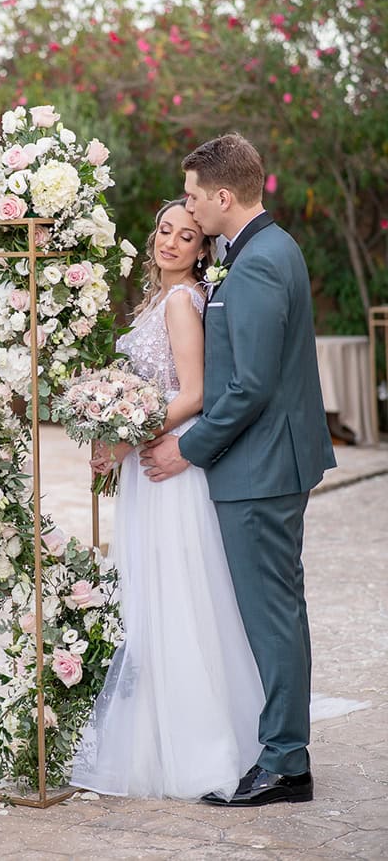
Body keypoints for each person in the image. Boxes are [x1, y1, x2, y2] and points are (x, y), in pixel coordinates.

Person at [140, 134, 336, 806]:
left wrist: (187, 449)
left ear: (224, 197)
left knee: (273, 614)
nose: (188, 204)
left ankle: (285, 762)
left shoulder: (255, 264)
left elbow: (249, 386)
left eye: (193, 195)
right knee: (278, 610)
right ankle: (281, 748)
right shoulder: (257, 251)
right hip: (268, 463)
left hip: (259, 468)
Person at [69, 198, 266, 801]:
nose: (171, 243)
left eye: (187, 236)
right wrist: (110, 433)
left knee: (177, 590)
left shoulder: (183, 302)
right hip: (149, 456)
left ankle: (201, 744)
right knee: (153, 593)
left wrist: (129, 438)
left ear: (203, 250)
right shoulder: (158, 300)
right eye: (164, 231)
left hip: (169, 464)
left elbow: (197, 393)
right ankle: (155, 733)